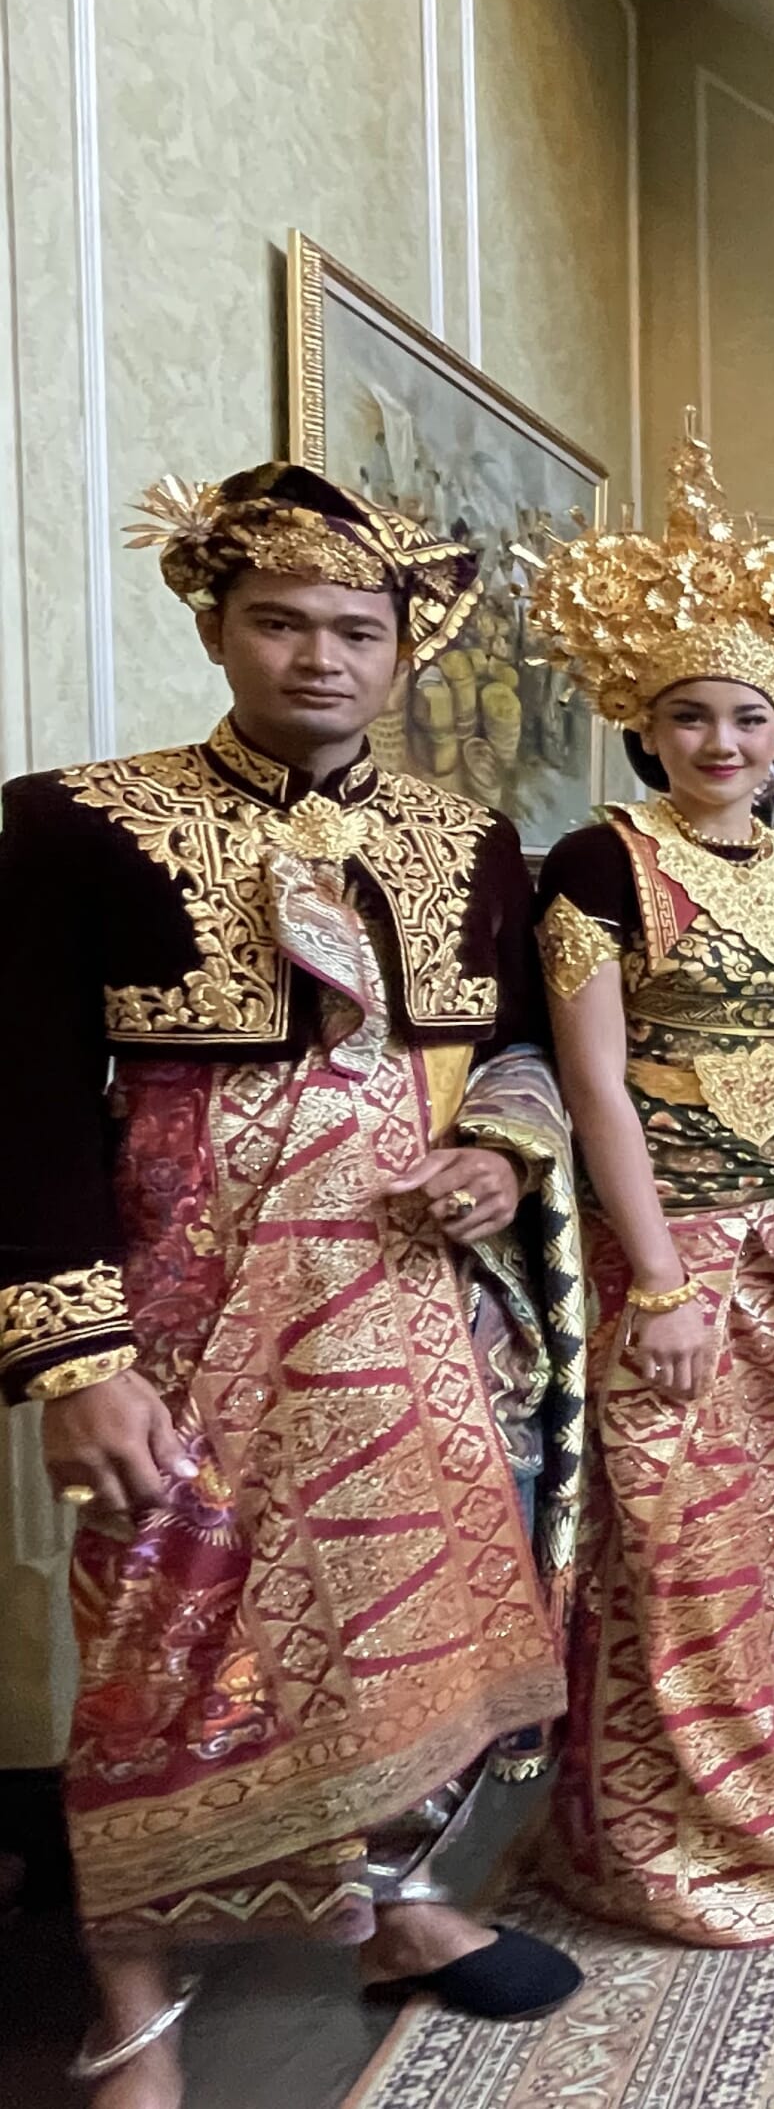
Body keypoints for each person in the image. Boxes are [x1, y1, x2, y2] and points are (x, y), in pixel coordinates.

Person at [3, 466, 587, 2106]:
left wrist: (504, 1157)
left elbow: (519, 1049)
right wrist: (74, 1358)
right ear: (212, 626)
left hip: (410, 1305)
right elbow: (22, 1099)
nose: (319, 657)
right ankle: (134, 2006)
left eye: (354, 628)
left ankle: (396, 1906)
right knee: (166, 1630)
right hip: (178, 1312)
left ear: (399, 649)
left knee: (406, 1619)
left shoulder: (467, 840)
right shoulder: (76, 823)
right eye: (279, 622)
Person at [526, 431, 774, 1948]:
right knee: (670, 1542)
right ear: (644, 726)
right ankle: (654, 1845)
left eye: (747, 714)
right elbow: (596, 1082)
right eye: (689, 714)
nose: (720, 739)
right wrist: (662, 1281)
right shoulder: (598, 863)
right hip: (665, 1253)